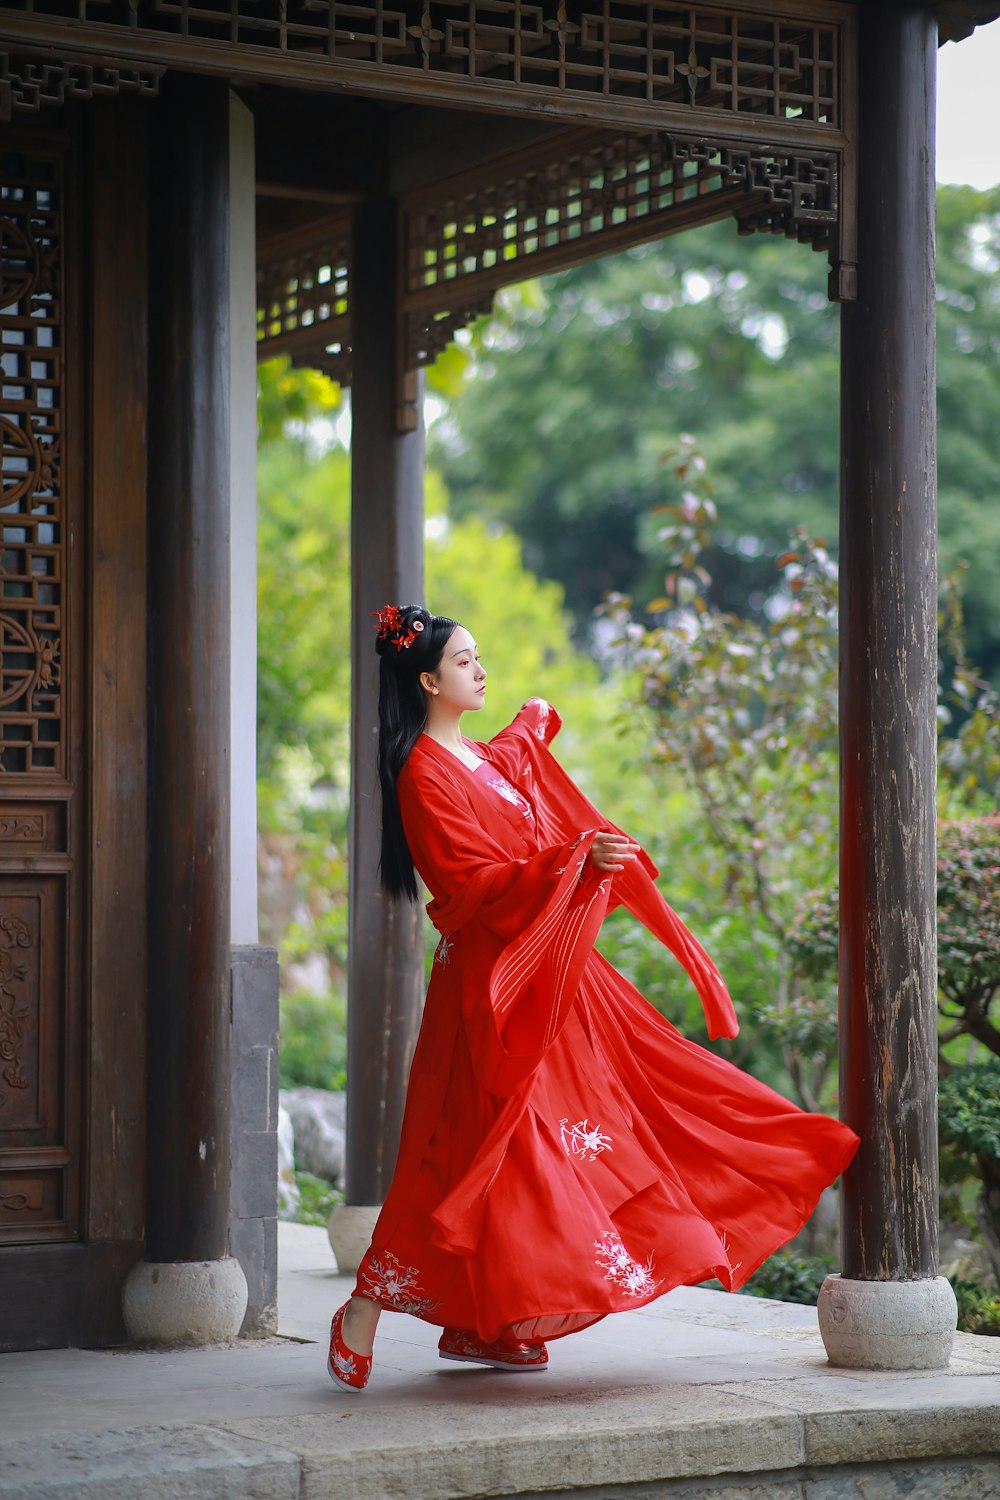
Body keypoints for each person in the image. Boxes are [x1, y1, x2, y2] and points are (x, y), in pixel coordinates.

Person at [327, 603, 859, 1392]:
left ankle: (488, 1323)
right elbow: (471, 887)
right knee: (481, 1149)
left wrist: (538, 739)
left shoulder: (474, 757)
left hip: (553, 977)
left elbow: (515, 763)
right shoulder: (421, 775)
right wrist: (575, 857)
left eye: (479, 656)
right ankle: (366, 1307)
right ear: (428, 681)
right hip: (493, 989)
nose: (482, 669)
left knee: (571, 1134)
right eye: (466, 660)